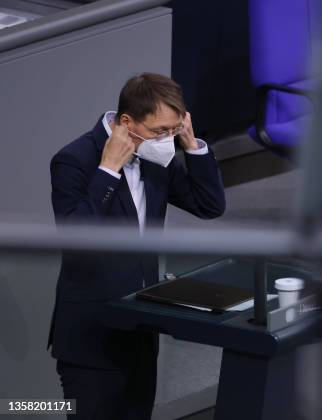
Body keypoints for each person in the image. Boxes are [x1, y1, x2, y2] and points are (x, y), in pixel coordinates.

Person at [47, 73, 225, 419]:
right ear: (127, 122)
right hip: (91, 337)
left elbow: (209, 205)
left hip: (140, 329)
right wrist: (109, 170)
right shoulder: (73, 160)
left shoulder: (158, 157)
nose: (166, 140)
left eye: (174, 129)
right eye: (160, 131)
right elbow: (77, 237)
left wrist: (192, 146)